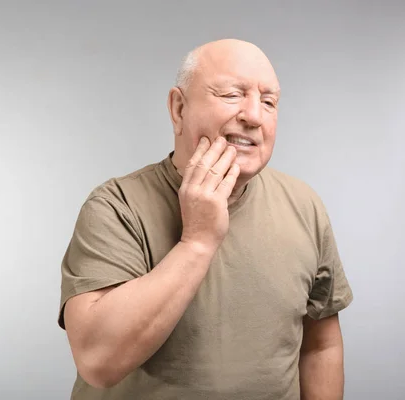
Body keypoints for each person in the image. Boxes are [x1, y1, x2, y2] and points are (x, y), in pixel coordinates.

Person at [58, 38, 353, 400]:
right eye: (232, 95)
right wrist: (197, 241)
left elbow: (320, 346)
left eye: (269, 102)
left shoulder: (304, 205)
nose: (254, 116)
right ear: (178, 109)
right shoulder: (116, 207)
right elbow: (98, 361)